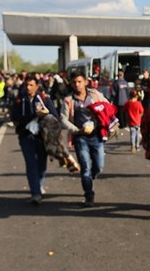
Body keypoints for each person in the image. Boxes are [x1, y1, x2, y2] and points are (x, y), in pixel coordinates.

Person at [60, 72, 108, 207]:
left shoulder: (95, 95)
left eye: (79, 81)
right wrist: (76, 130)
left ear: (85, 82)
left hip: (97, 136)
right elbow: (63, 119)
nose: (77, 85)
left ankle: (90, 178)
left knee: (99, 166)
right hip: (80, 137)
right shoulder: (69, 100)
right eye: (74, 82)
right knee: (85, 166)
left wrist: (103, 122)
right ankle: (89, 194)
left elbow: (107, 107)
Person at [10, 74, 59, 205]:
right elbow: (14, 118)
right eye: (26, 85)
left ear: (37, 86)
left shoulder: (44, 99)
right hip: (26, 136)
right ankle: (36, 193)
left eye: (31, 85)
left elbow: (55, 117)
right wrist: (32, 115)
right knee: (31, 164)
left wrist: (45, 114)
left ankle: (39, 184)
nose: (28, 87)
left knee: (41, 164)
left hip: (42, 137)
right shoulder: (19, 100)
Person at [123, 89, 144, 153]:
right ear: (137, 96)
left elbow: (124, 111)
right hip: (138, 121)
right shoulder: (138, 103)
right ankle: (137, 147)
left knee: (132, 134)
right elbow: (142, 112)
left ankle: (132, 146)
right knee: (137, 134)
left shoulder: (127, 103)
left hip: (130, 122)